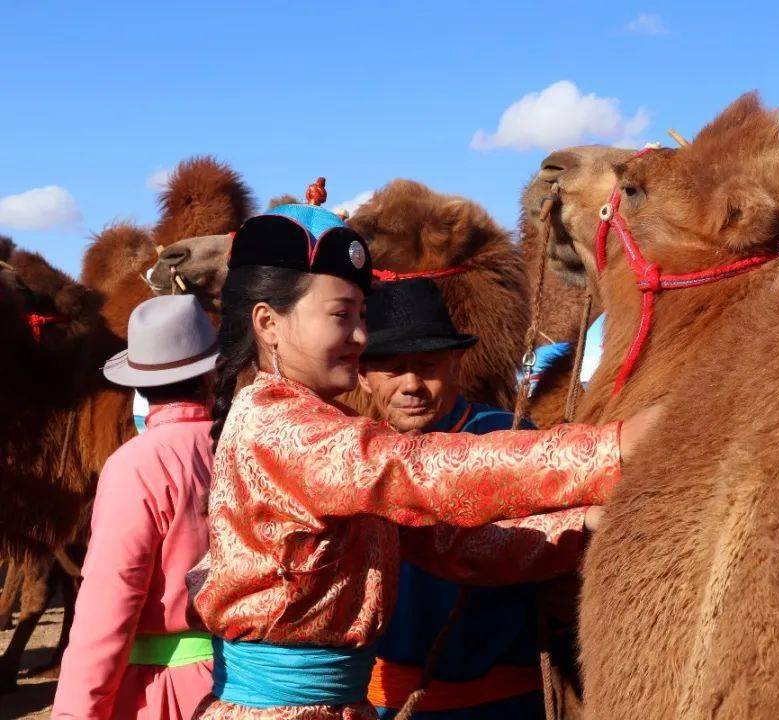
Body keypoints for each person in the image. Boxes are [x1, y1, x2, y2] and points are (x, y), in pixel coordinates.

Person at [191, 196, 657, 720]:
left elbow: (452, 547)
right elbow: (417, 471)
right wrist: (611, 448)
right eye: (342, 316)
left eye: (362, 316)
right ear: (268, 323)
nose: (361, 337)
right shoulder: (282, 428)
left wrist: (585, 525)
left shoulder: (319, 428)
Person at [358, 280, 598, 719]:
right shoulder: (357, 457)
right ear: (363, 376)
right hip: (385, 704)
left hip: (502, 704)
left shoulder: (508, 438)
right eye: (392, 370)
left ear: (456, 363)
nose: (411, 384)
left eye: (428, 365)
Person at [52, 294, 219, 720]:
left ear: (138, 386)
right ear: (210, 376)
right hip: (244, 680)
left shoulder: (137, 464)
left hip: (166, 694)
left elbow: (107, 608)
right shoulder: (242, 445)